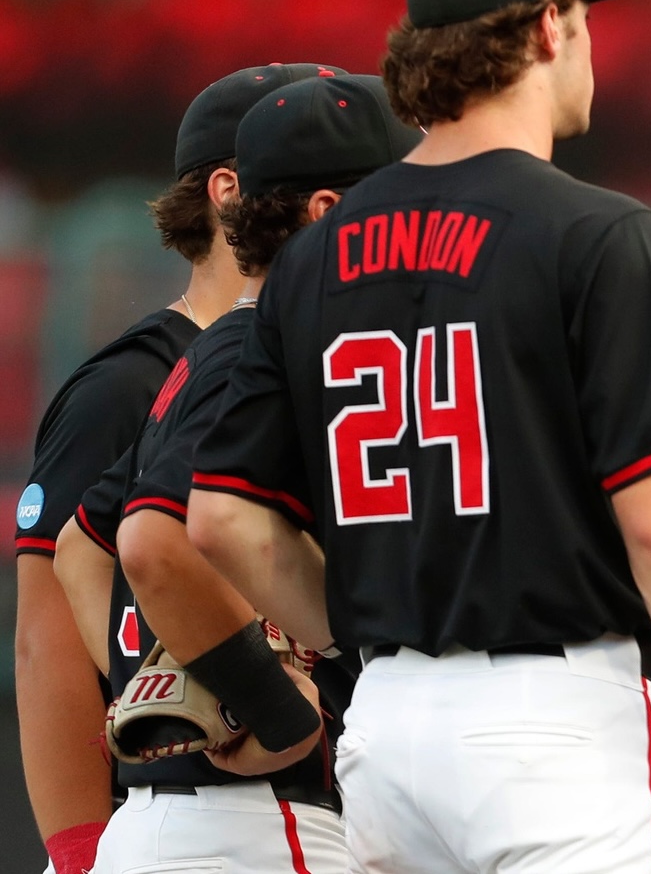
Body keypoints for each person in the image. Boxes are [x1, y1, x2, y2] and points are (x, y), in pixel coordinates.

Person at [178, 0, 651, 874]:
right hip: (553, 724)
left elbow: (221, 519)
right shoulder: (598, 230)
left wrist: (356, 641)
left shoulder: (315, 255)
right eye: (583, 17)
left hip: (388, 727)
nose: (587, 42)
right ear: (550, 23)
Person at [52, 72, 418, 874]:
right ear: (327, 211)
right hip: (251, 824)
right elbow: (150, 545)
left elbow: (85, 543)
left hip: (178, 825)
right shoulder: (262, 355)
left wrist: (148, 670)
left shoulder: (214, 353)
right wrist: (276, 711)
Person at [12, 61, 339, 874]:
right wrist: (81, 849)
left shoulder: (298, 358)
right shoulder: (132, 380)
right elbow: (44, 634)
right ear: (231, 190)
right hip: (189, 817)